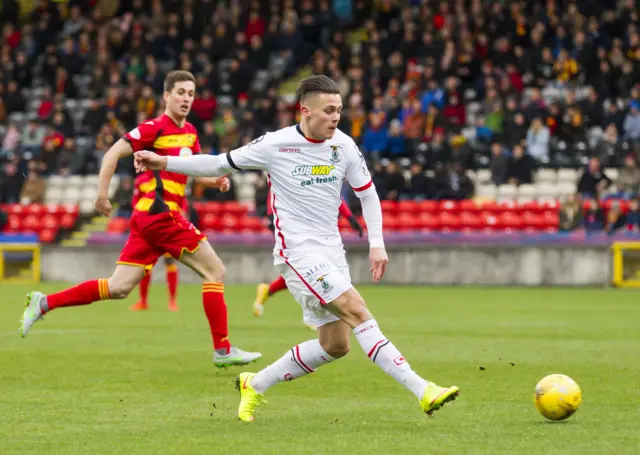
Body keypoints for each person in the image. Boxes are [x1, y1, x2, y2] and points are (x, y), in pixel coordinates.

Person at [134, 75, 460, 422]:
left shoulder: (344, 145)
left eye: (339, 110)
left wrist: (376, 244)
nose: (336, 117)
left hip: (332, 253)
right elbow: (218, 162)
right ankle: (422, 389)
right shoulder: (275, 144)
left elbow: (367, 193)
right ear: (305, 111)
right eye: (329, 111)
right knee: (357, 309)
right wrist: (163, 161)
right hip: (298, 254)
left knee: (336, 345)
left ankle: (254, 384)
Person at [19, 70, 262, 368]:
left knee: (118, 287)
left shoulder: (191, 133)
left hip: (152, 220)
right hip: (159, 214)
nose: (186, 98)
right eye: (180, 92)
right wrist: (101, 195)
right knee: (215, 271)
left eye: (190, 93)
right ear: (166, 96)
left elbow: (193, 169)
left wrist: (216, 182)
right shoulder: (153, 128)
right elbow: (111, 154)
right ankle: (223, 350)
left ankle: (43, 302)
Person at [252, 196, 364, 318]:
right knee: (308, 271)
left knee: (308, 272)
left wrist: (349, 217)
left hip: (320, 228)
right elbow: (275, 188)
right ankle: (313, 314)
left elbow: (333, 191)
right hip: (295, 229)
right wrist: (271, 215)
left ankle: (268, 290)